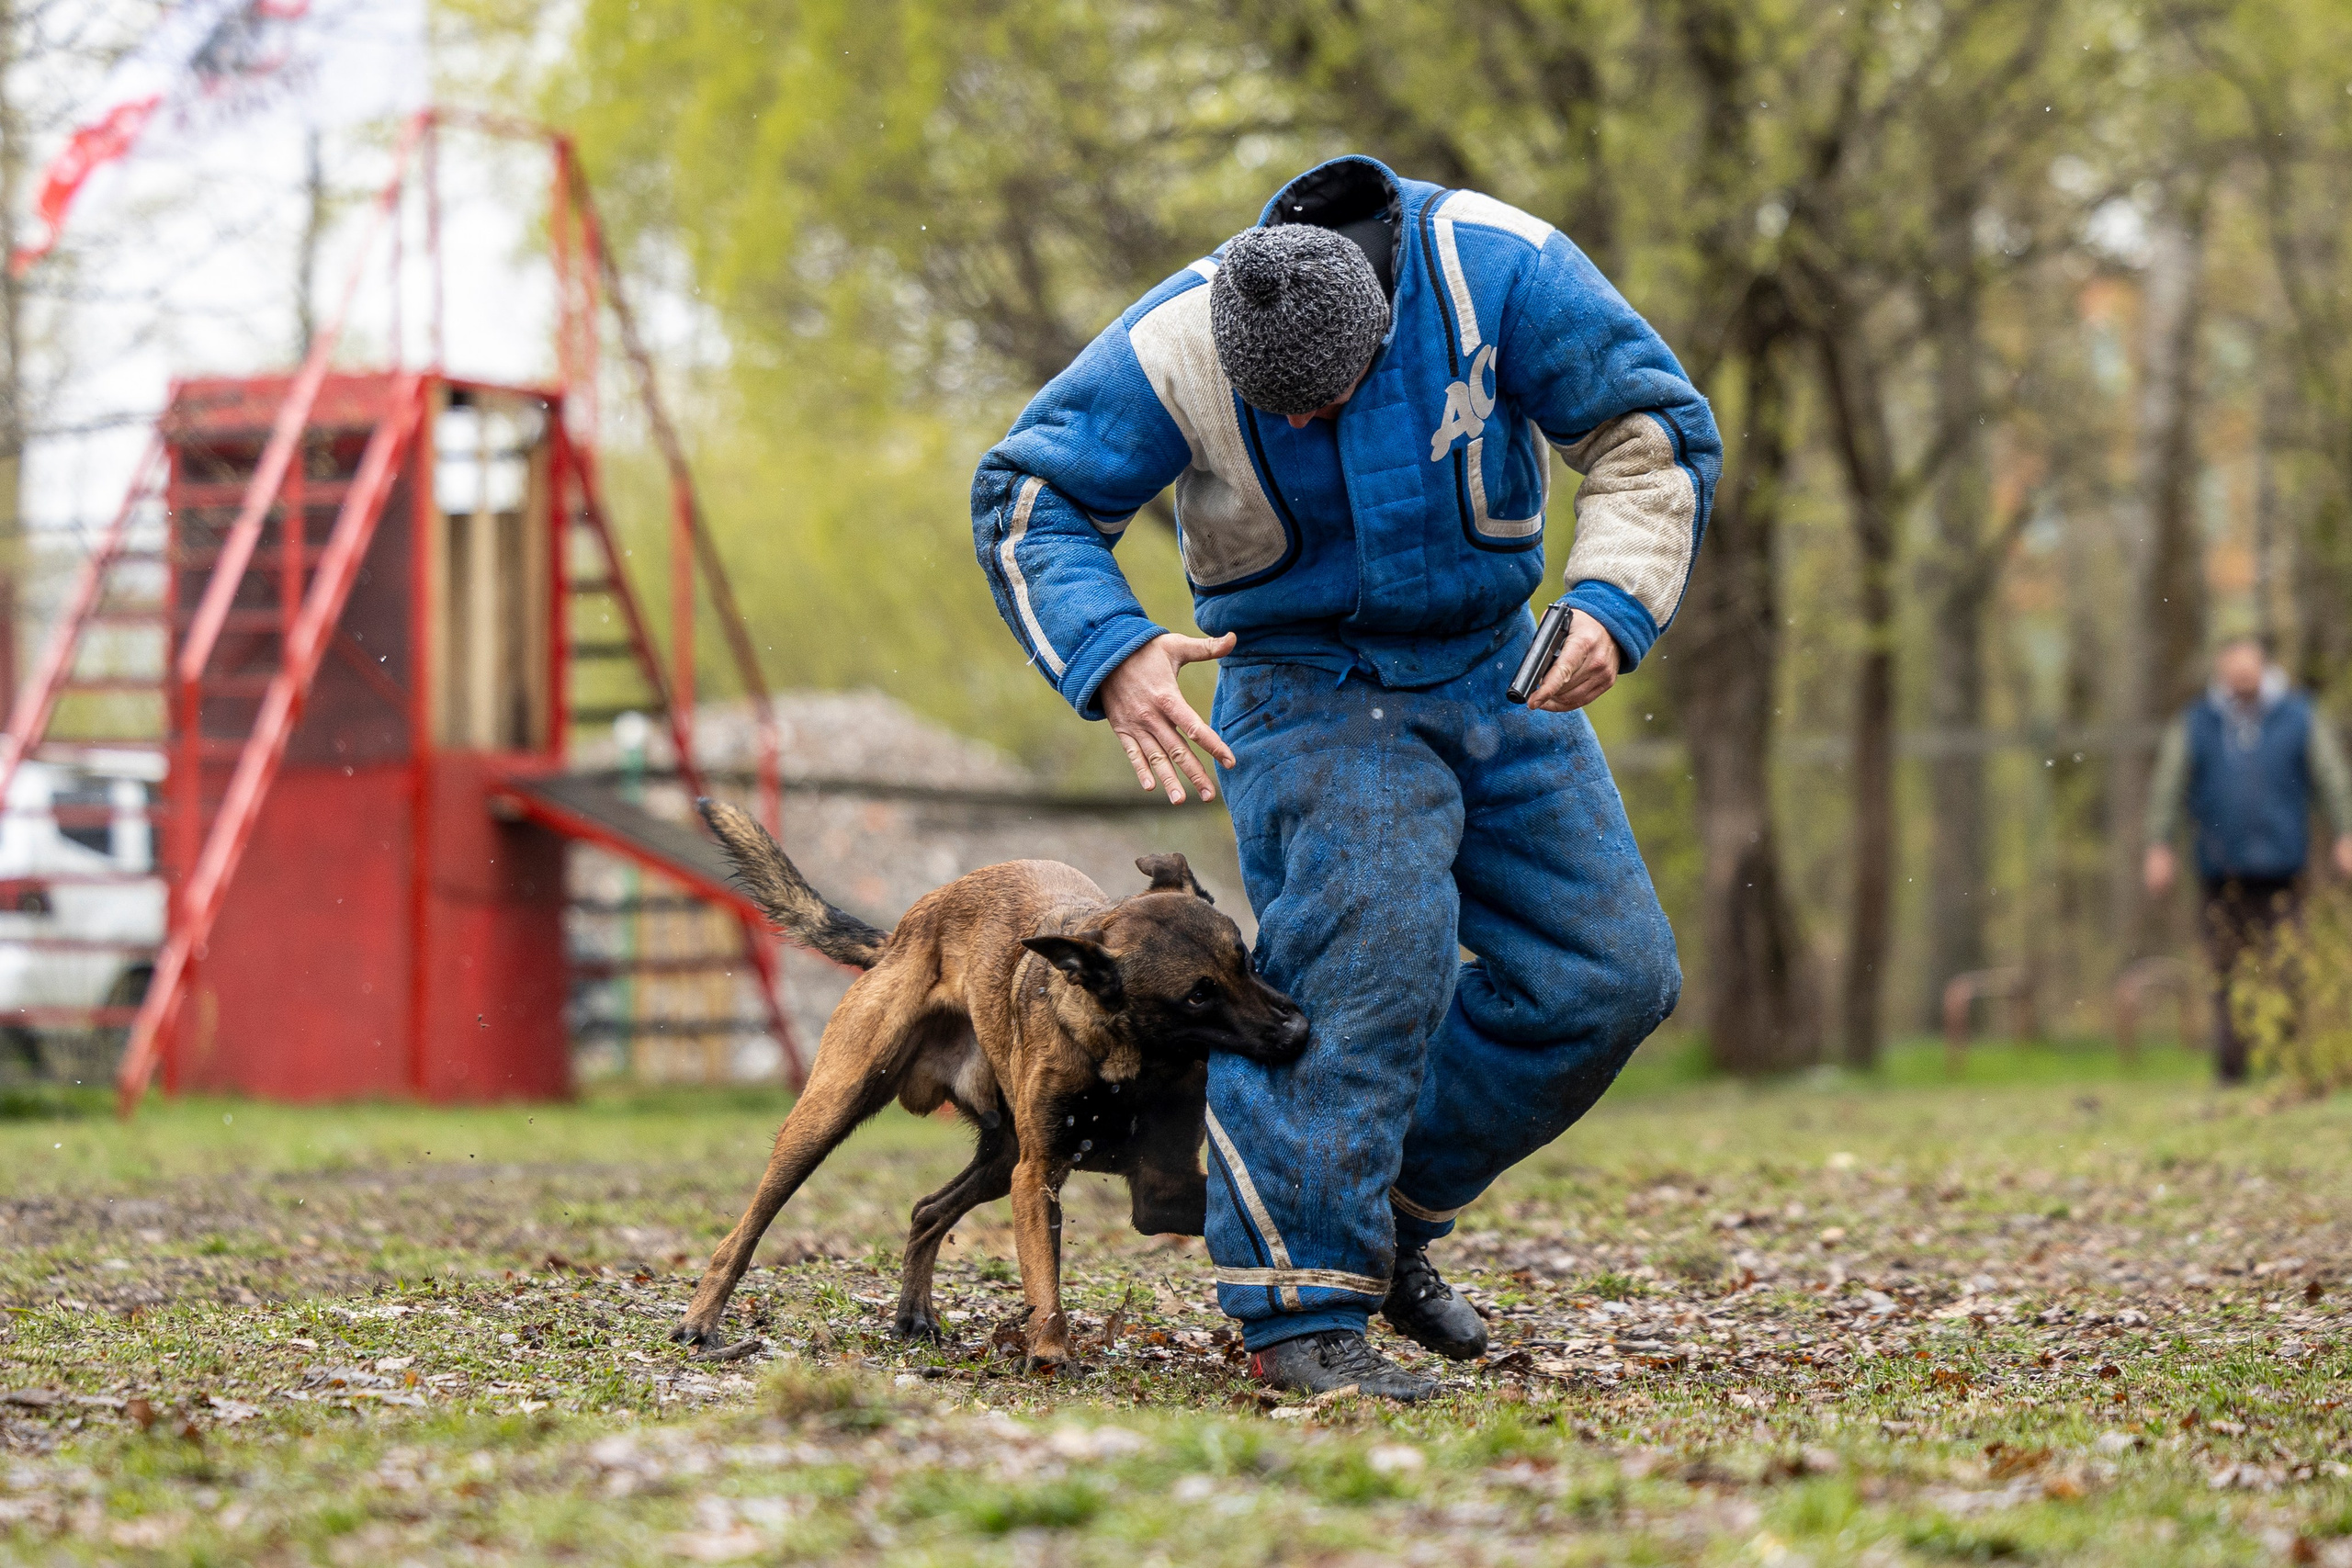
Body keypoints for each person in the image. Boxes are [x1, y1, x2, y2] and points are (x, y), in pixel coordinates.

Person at [971, 156, 1718, 1399]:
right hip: (1301, 679)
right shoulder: (1178, 337)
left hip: (1495, 661)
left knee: (1610, 976)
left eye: (1330, 403)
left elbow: (1650, 435)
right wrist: (1115, 650)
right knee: (1377, 946)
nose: (1306, 427)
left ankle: (1381, 1219)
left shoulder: (1505, 270)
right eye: (1283, 415)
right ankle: (1299, 1309)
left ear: (1383, 328)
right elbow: (1030, 494)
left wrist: (1610, 598)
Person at [2144, 635, 2352, 1081]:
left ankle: (2285, 1062)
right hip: (2220, 867)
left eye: (2249, 670)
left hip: (2283, 867)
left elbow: (2331, 777)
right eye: (2233, 671)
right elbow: (2168, 785)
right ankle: (2231, 1068)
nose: (2241, 679)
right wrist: (2159, 845)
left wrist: (2345, 832)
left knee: (2289, 967)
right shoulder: (2198, 722)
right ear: (2221, 673)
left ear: (2265, 669)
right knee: (2225, 970)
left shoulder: (2298, 716)